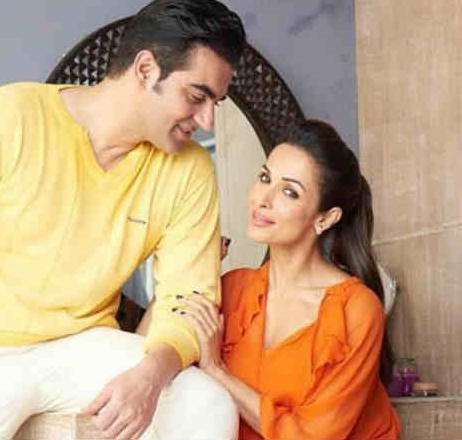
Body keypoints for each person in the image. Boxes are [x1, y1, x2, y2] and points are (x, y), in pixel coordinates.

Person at [0, 0, 246, 439]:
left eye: (215, 103)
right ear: (145, 69)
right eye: (197, 96)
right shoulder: (7, 117)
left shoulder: (191, 169)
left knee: (207, 405)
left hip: (80, 346)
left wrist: (150, 376)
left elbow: (187, 297)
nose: (207, 120)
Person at [140, 120, 401, 439]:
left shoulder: (356, 309)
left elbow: (314, 437)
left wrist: (217, 371)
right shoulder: (233, 289)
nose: (263, 198)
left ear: (325, 218)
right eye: (265, 178)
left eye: (289, 192)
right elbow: (139, 358)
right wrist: (186, 270)